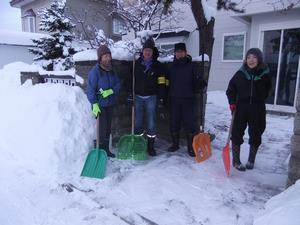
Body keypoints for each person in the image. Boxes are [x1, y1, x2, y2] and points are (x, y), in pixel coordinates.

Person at [226, 48, 271, 171]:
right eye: (249, 57)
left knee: (256, 132)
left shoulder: (265, 75)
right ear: (245, 60)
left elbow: (267, 91)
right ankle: (236, 161)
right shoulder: (240, 74)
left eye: (254, 57)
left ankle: (251, 160)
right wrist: (232, 103)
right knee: (236, 132)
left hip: (257, 108)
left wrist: (258, 99)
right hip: (241, 107)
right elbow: (231, 90)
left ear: (259, 59)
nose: (251, 60)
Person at [166, 43, 206, 157]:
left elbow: (198, 83)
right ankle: (175, 144)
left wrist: (200, 83)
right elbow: (166, 82)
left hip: (188, 100)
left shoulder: (192, 66)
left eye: (181, 51)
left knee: (190, 124)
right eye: (177, 52)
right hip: (174, 99)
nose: (179, 54)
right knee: (174, 122)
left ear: (185, 52)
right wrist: (165, 95)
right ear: (175, 53)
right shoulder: (170, 66)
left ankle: (190, 147)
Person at [133, 38, 167, 156]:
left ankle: (150, 146)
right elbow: (130, 80)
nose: (147, 52)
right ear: (142, 51)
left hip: (151, 97)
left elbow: (162, 82)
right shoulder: (136, 64)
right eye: (145, 50)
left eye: (150, 51)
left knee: (151, 122)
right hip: (137, 97)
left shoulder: (157, 66)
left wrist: (161, 98)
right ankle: (139, 144)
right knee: (137, 123)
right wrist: (129, 94)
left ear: (153, 52)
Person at [86, 45, 121, 158]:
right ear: (100, 58)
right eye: (105, 56)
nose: (108, 58)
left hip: (110, 104)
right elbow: (90, 89)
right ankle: (99, 151)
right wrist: (94, 103)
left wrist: (111, 91)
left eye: (109, 56)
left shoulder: (112, 70)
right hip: (99, 104)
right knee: (102, 128)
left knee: (108, 127)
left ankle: (105, 150)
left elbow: (118, 84)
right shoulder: (95, 72)